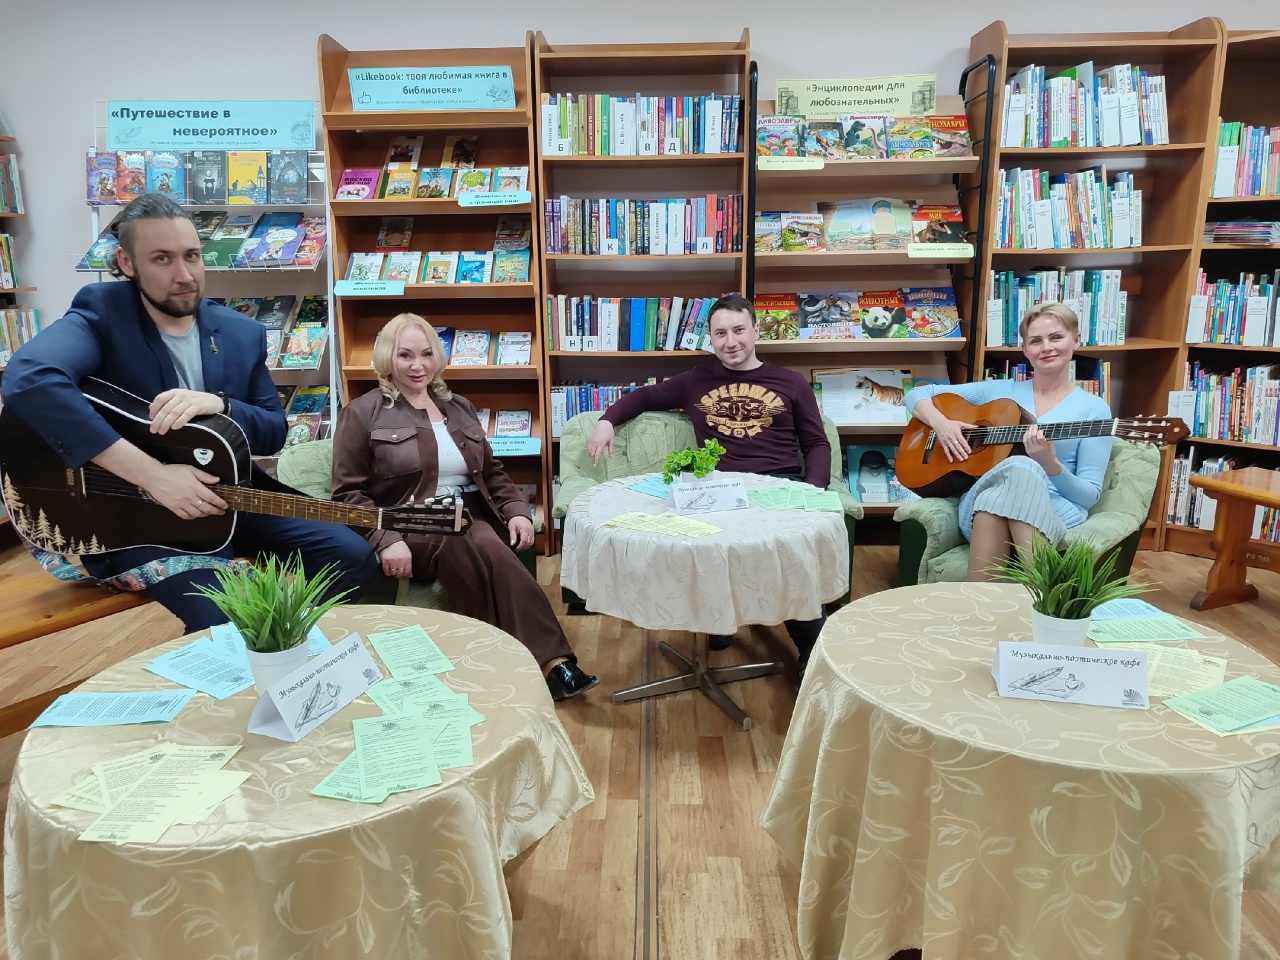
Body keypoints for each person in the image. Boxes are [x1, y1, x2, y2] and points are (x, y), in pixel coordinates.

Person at [1, 194, 378, 630]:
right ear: (126, 263)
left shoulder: (242, 333)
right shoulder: (103, 314)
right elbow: (29, 378)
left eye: (192, 256)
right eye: (161, 259)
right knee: (225, 614)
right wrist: (152, 475)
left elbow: (274, 430)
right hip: (137, 517)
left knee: (352, 557)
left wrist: (222, 404)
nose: (184, 275)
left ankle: (298, 654)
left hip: (229, 499)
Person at [330, 313, 597, 702]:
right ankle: (553, 663)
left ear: (438, 357)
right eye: (405, 355)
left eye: (426, 354)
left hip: (470, 518)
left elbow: (491, 471)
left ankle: (523, 662)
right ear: (387, 358)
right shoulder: (362, 412)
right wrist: (386, 539)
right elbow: (347, 494)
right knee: (469, 539)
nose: (418, 365)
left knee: (476, 537)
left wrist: (517, 509)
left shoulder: (458, 407)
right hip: (411, 524)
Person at [586, 292, 833, 676]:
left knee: (786, 556)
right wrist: (606, 421)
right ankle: (718, 619)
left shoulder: (791, 382)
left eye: (738, 330)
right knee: (703, 547)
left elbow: (816, 443)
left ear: (756, 330)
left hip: (777, 483)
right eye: (720, 333)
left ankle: (812, 651)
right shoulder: (697, 380)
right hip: (718, 488)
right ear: (711, 339)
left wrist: (812, 490)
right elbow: (645, 396)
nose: (730, 342)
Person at [902, 302, 1113, 581]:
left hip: (1052, 508)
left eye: (1056, 337)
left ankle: (979, 604)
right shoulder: (1001, 391)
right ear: (1025, 349)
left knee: (1019, 469)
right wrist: (943, 426)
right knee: (1016, 469)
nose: (1046, 347)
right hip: (981, 499)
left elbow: (1088, 496)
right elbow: (917, 394)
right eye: (1036, 341)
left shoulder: (1094, 410)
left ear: (1075, 340)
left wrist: (1050, 465)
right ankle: (1043, 596)